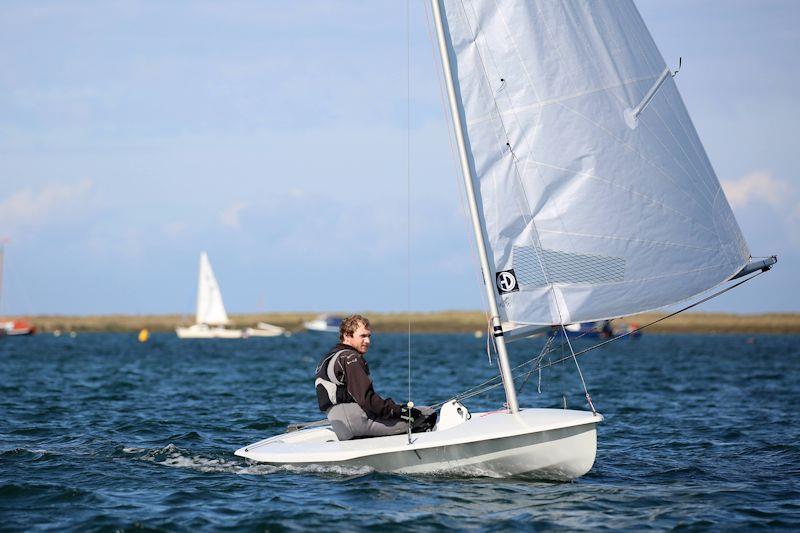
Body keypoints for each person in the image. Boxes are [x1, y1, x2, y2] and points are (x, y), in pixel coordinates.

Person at [315, 314, 435, 440]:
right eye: (363, 336)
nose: (368, 341)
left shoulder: (328, 358)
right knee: (426, 414)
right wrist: (399, 410)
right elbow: (367, 400)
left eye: (369, 336)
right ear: (347, 335)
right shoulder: (350, 358)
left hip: (343, 428)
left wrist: (395, 409)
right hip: (358, 424)